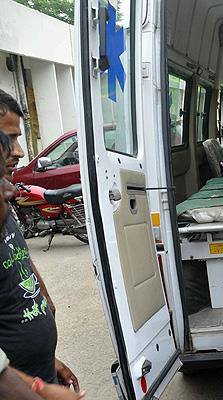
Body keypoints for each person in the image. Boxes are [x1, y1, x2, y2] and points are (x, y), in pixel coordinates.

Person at [0, 89, 80, 392]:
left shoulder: (3, 205)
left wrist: (47, 359)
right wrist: (39, 388)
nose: (20, 151)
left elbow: (18, 258)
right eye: (11, 138)